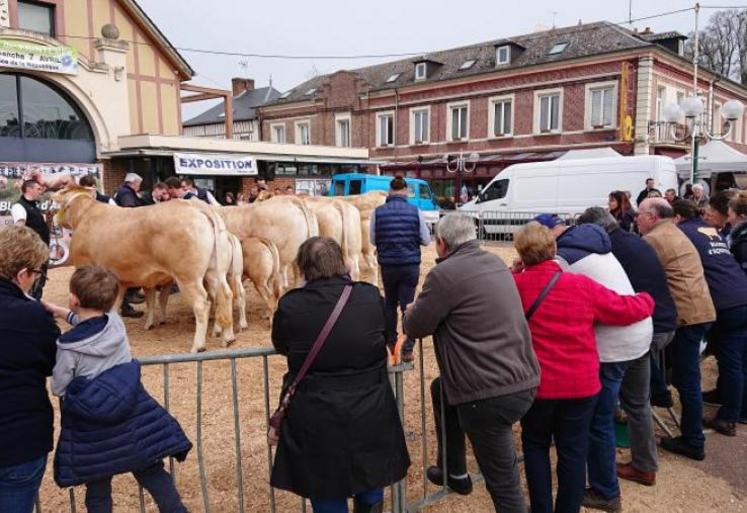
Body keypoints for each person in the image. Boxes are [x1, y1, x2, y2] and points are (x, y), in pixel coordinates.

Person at [512, 222, 653, 513]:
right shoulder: (579, 284)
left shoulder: (515, 286)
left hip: (537, 385)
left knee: (535, 446)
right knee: (574, 451)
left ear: (521, 253)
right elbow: (623, 309)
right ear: (553, 250)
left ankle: (540, 507)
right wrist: (647, 299)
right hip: (580, 384)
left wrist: (515, 272)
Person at [404, 214, 540, 513]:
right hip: (522, 377)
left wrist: (410, 309)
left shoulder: (444, 275)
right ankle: (454, 470)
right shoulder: (493, 262)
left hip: (488, 393)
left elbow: (415, 326)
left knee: (503, 483)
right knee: (443, 389)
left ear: (441, 244)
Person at [270, 237, 410, 513]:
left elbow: (282, 345)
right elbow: (385, 334)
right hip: (370, 403)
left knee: (325, 484)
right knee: (371, 475)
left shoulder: (291, 305)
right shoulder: (369, 296)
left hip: (316, 408)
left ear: (304, 268)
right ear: (341, 262)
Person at [43, 265, 191, 513]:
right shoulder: (115, 323)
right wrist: (61, 312)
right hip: (131, 415)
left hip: (94, 429)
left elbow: (59, 387)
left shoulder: (68, 347)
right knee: (152, 472)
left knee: (98, 488)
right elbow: (91, 321)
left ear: (73, 299)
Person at [578, 207, 677, 487]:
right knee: (638, 402)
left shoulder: (605, 251)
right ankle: (645, 465)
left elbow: (606, 300)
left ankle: (603, 484)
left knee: (601, 409)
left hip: (645, 326)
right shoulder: (633, 240)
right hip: (654, 323)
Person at [637, 198, 716, 460]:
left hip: (686, 315)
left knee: (687, 379)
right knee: (682, 373)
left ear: (651, 216)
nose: (636, 220)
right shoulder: (675, 231)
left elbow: (639, 273)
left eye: (639, 215)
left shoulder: (653, 240)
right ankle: (661, 394)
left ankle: (693, 440)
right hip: (700, 308)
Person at [672, 200, 747, 437]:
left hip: (721, 302)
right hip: (741, 295)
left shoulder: (682, 233)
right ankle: (730, 415)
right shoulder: (709, 231)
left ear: (676, 217)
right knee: (733, 361)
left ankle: (714, 415)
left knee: (700, 355)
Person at [0, 226, 59, 513]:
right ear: (23, 274)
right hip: (18, 441)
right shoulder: (31, 315)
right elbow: (54, 361)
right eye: (37, 273)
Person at [370, 176, 431, 362]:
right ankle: (407, 349)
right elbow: (426, 240)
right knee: (408, 305)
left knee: (390, 304)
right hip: (410, 264)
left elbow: (373, 239)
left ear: (390, 190)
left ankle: (390, 342)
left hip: (388, 265)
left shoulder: (378, 212)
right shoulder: (415, 211)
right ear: (405, 191)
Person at [113, 173, 146, 318]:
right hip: (127, 236)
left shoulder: (122, 191)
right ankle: (126, 303)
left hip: (121, 234)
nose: (139, 187)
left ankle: (128, 298)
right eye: (139, 184)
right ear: (133, 183)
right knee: (128, 269)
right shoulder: (126, 193)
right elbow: (129, 210)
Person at [11, 180, 50, 299]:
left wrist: (49, 219)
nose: (41, 192)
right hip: (31, 253)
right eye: (38, 189)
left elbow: (41, 228)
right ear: (29, 189)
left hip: (41, 251)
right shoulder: (19, 206)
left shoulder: (34, 206)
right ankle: (30, 309)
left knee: (39, 283)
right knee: (31, 284)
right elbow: (19, 229)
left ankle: (34, 306)